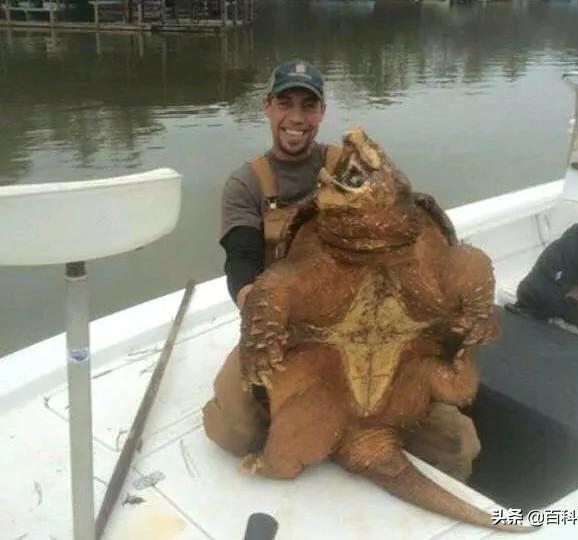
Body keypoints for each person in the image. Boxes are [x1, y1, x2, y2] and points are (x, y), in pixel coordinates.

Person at [202, 59, 481, 482]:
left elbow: (416, 234)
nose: (296, 118)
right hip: (294, 333)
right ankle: (325, 424)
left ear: (321, 113)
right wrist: (268, 323)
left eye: (308, 107)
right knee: (234, 430)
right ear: (268, 107)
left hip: (383, 326)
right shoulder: (247, 185)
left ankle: (364, 425)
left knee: (456, 443)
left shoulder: (350, 169)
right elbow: (241, 270)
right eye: (285, 103)